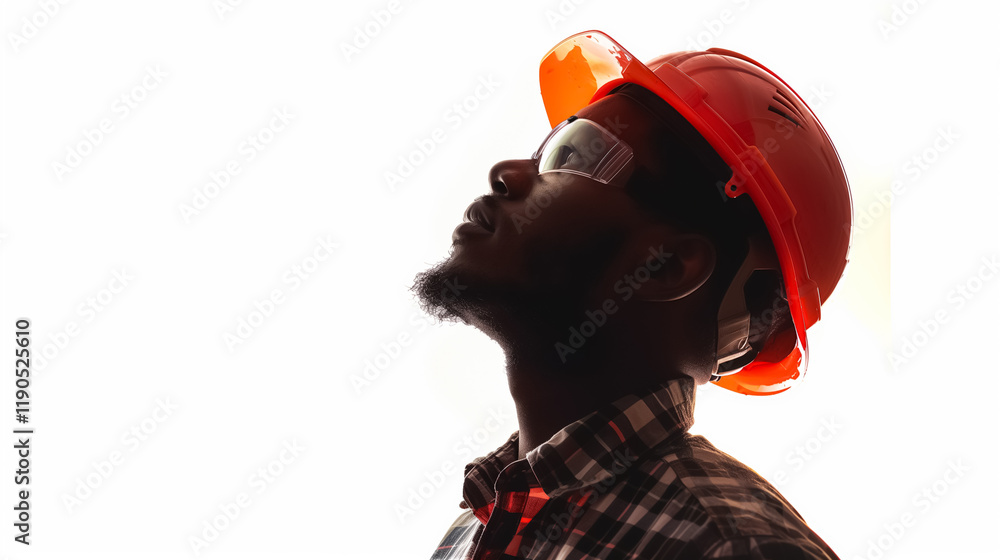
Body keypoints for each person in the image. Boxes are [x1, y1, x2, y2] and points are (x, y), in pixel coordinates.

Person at [413, 30, 851, 560]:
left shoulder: (734, 547)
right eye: (549, 146)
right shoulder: (471, 530)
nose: (507, 174)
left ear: (668, 265)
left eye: (575, 156)